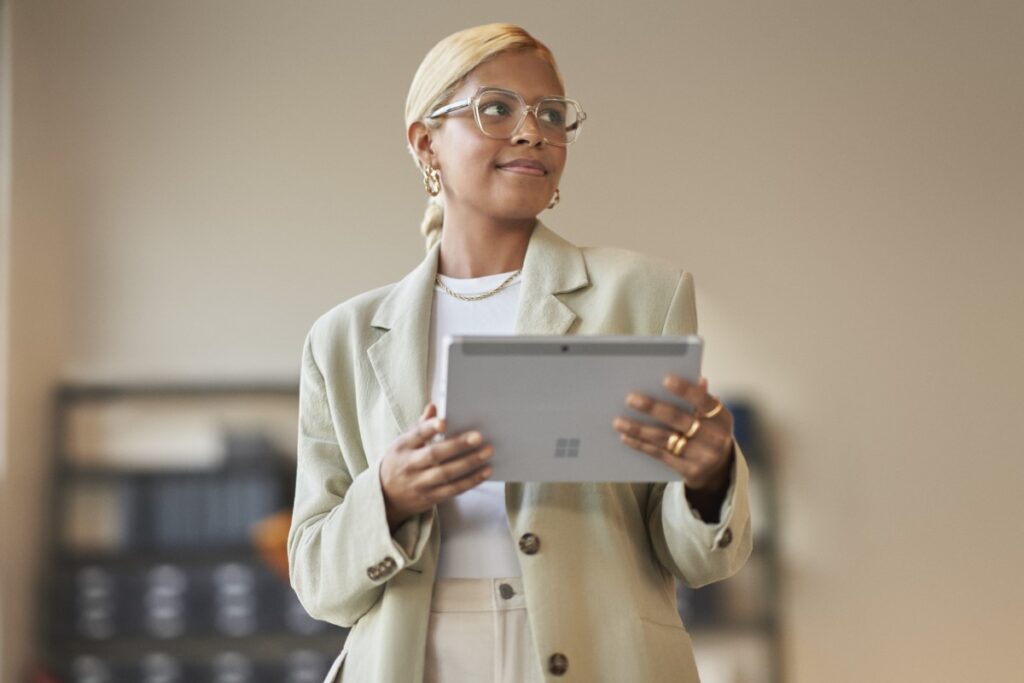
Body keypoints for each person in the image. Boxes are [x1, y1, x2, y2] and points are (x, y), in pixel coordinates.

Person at [287, 23, 752, 683]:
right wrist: (386, 495)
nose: (532, 132)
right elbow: (317, 582)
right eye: (497, 109)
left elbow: (698, 559)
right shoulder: (345, 336)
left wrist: (708, 480)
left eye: (551, 115)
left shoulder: (642, 293)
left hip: (602, 656)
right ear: (426, 143)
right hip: (417, 659)